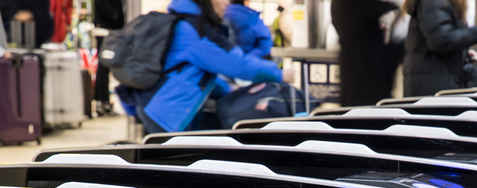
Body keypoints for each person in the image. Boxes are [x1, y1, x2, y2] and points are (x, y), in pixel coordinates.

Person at [119, 0, 293, 135]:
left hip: (159, 106)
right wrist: (279, 74)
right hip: (166, 112)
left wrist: (227, 88)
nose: (228, 2)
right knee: (173, 167)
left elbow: (195, 73)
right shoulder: (193, 30)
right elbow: (236, 64)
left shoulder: (190, 23)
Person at [402, 0, 477, 97]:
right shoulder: (433, 2)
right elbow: (441, 39)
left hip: (433, 82)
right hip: (437, 87)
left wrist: (463, 54)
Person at [331, 0, 403, 107]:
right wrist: (396, 5)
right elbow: (370, 7)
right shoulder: (356, 7)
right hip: (363, 75)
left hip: (357, 72)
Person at [94, 0, 125, 116]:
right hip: (105, 31)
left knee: (105, 68)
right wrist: (115, 15)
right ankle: (102, 102)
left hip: (110, 31)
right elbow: (107, 9)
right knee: (103, 67)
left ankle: (103, 101)